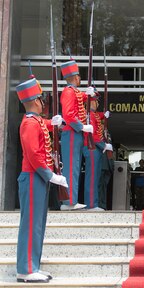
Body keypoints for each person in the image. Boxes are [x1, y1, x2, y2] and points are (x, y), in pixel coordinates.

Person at [15, 77, 68, 283]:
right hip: (33, 177)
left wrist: (52, 123)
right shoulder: (29, 123)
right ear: (36, 101)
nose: (42, 102)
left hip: (37, 179)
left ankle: (33, 265)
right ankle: (26, 269)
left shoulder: (35, 121)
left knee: (38, 224)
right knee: (31, 225)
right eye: (41, 99)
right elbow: (33, 155)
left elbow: (42, 125)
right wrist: (50, 175)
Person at [59, 59, 94, 211]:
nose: (80, 79)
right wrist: (82, 127)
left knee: (75, 167)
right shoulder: (68, 92)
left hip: (76, 134)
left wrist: (91, 93)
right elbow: (68, 115)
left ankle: (71, 200)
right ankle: (69, 202)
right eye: (79, 76)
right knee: (71, 168)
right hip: (72, 133)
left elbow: (82, 98)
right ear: (74, 76)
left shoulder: (75, 92)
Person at [82, 93, 112, 211]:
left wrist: (104, 115)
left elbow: (98, 117)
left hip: (95, 148)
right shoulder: (89, 115)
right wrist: (104, 145)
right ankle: (90, 204)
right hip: (92, 147)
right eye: (95, 101)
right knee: (92, 178)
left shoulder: (93, 115)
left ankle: (93, 203)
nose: (97, 103)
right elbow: (93, 136)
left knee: (96, 177)